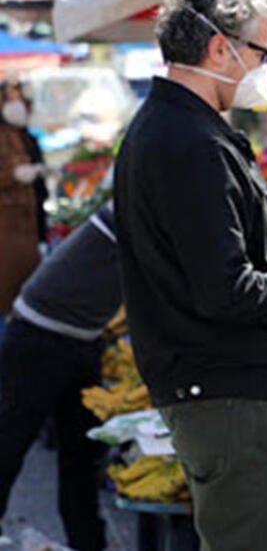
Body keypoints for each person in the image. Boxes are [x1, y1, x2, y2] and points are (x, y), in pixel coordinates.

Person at [114, 0, 267, 551]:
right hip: (230, 393)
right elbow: (226, 289)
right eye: (262, 52)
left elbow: (214, 264)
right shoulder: (188, 142)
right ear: (221, 49)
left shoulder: (177, 129)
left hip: (219, 386)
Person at [0, 203, 118, 551]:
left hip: (84, 337)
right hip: (38, 336)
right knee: (8, 448)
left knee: (82, 456)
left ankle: (88, 544)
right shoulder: (138, 208)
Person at [0, 80, 44, 325]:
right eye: (11, 98)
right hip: (6, 228)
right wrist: (13, 176)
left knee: (23, 292)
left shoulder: (20, 133)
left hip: (25, 224)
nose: (18, 103)